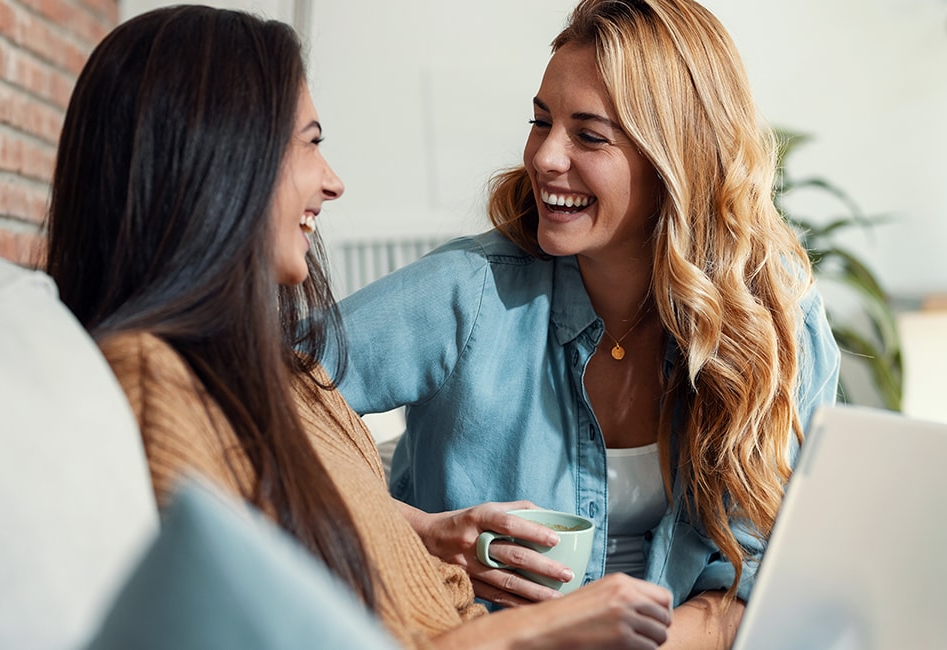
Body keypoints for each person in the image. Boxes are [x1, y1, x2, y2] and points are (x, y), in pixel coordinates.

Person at [42, 6, 675, 649]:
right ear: (219, 160)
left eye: (588, 135)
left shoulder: (267, 381)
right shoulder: (161, 383)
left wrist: (429, 534)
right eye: (311, 142)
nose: (334, 181)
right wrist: (539, 630)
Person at [327, 0, 841, 646]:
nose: (544, 157)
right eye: (541, 122)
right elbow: (245, 397)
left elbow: (758, 577)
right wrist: (418, 531)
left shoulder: (776, 323)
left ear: (676, 160)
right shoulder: (471, 292)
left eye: (588, 135)